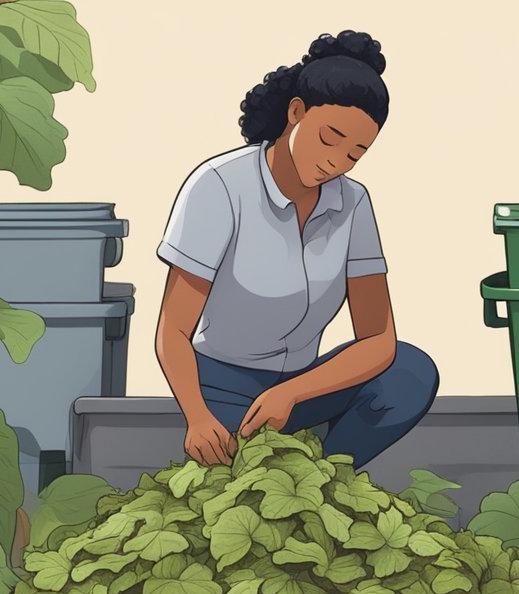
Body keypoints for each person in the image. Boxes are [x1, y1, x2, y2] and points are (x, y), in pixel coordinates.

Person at [154, 30, 438, 471]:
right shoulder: (220, 186)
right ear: (296, 112)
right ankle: (293, 469)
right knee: (243, 476)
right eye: (329, 138)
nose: (336, 162)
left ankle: (325, 475)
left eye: (355, 154)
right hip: (224, 388)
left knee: (411, 372)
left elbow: (379, 340)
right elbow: (173, 331)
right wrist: (196, 417)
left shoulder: (353, 202)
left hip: (306, 385)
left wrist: (293, 392)